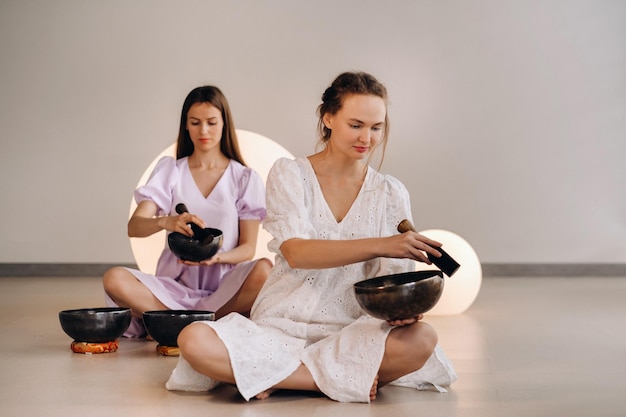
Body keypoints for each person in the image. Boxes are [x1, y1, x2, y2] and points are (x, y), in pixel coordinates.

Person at [166, 72, 457, 402]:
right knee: (193, 339)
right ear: (328, 117)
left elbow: (387, 281)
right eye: (356, 124)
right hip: (279, 326)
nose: (367, 137)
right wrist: (382, 244)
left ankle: (272, 375)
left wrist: (401, 309)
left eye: (377, 127)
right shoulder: (290, 174)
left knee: (422, 339)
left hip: (349, 332)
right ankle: (325, 380)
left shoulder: (391, 193)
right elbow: (297, 253)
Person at [103, 85, 272, 338]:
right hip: (174, 288)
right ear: (186, 125)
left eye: (211, 122)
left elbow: (248, 248)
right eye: (195, 122)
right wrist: (166, 222)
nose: (203, 130)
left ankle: (177, 325)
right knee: (114, 278)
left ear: (224, 124)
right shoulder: (171, 170)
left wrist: (215, 258)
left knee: (265, 270)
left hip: (225, 288)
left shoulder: (244, 178)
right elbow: (134, 226)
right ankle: (198, 327)